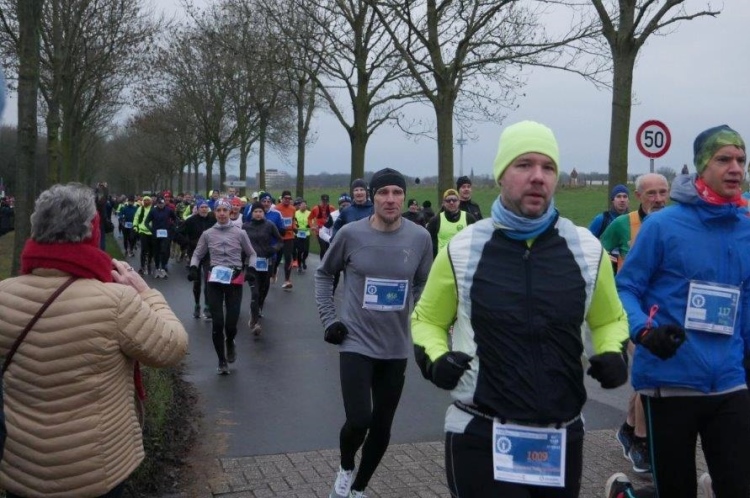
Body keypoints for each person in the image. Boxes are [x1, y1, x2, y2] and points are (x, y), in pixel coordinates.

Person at [411, 120, 629, 497]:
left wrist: (613, 351)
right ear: (501, 175)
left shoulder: (586, 249)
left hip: (559, 436)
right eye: (524, 165)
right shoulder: (463, 249)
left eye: (548, 167)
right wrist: (435, 358)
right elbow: (427, 319)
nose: (538, 176)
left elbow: (610, 319)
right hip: (481, 431)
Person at [0, 183, 188, 497]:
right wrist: (145, 293)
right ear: (91, 231)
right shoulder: (116, 301)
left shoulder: (5, 294)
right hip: (96, 468)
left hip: (23, 467)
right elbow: (172, 346)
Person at [616, 124, 750, 497]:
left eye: (741, 160)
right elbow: (625, 288)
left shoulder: (746, 228)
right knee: (676, 490)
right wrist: (644, 332)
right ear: (702, 166)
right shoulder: (662, 226)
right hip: (670, 380)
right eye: (724, 159)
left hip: (729, 380)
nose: (735, 168)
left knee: (739, 487)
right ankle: (626, 493)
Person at [315, 168, 433, 498]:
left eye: (397, 192)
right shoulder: (351, 234)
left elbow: (424, 283)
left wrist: (422, 317)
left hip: (395, 346)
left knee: (382, 427)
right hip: (355, 341)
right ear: (372, 196)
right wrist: (329, 320)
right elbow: (324, 275)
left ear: (404, 197)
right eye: (383, 192)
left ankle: (358, 488)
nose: (390, 199)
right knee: (359, 420)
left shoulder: (420, 238)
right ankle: (345, 467)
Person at [599, 173, 669, 475]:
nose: (658, 199)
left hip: (662, 312)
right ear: (638, 195)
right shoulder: (622, 224)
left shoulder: (673, 223)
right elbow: (599, 254)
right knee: (648, 370)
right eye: (651, 193)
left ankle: (629, 427)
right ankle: (641, 441)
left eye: (663, 192)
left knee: (648, 375)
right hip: (629, 310)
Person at [189, 198, 257, 375]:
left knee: (231, 325)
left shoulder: (240, 233)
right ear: (214, 212)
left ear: (230, 212)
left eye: (224, 210)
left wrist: (251, 269)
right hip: (215, 280)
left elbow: (252, 254)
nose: (221, 213)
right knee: (218, 323)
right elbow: (197, 254)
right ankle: (221, 360)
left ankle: (230, 341)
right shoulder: (207, 234)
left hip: (234, 279)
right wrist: (193, 268)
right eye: (218, 210)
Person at [242, 202, 283, 335]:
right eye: (255, 212)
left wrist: (273, 249)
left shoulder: (269, 225)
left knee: (263, 289)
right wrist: (241, 262)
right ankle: (254, 322)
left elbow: (280, 241)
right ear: (251, 213)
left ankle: (258, 307)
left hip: (266, 262)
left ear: (264, 213)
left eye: (260, 211)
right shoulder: (245, 226)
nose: (258, 214)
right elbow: (241, 244)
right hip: (251, 263)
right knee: (255, 292)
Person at [179, 199, 216, 319]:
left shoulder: (213, 220)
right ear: (197, 209)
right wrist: (188, 243)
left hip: (209, 253)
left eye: (206, 207)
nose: (204, 209)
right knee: (197, 281)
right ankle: (197, 305)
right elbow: (178, 233)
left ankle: (207, 306)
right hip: (194, 253)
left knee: (208, 280)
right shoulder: (191, 220)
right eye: (202, 207)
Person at [425, 188, 476, 257]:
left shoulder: (469, 218)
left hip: (463, 259)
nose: (451, 202)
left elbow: (476, 239)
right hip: (442, 260)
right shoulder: (436, 220)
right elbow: (427, 242)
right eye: (448, 200)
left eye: (454, 200)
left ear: (459, 202)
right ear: (443, 203)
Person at [145, 196, 178, 278]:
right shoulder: (153, 211)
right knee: (156, 251)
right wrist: (152, 230)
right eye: (159, 203)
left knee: (164, 250)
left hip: (166, 234)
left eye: (162, 203)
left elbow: (175, 219)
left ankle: (163, 268)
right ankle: (157, 268)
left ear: (164, 203)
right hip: (156, 235)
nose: (161, 205)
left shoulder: (168, 210)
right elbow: (146, 222)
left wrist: (172, 227)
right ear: (157, 203)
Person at [275, 190, 298, 290]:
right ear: (282, 198)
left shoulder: (293, 208)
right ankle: (273, 272)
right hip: (279, 237)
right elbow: (274, 222)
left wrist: (294, 227)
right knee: (277, 258)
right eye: (286, 198)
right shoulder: (276, 209)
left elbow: (292, 221)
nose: (287, 200)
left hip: (289, 236)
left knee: (288, 258)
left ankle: (287, 280)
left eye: (289, 198)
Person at [309, 193, 335, 260]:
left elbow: (335, 218)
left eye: (326, 201)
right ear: (320, 201)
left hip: (328, 231)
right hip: (319, 231)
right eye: (323, 201)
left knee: (328, 247)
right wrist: (312, 226)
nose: (325, 203)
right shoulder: (315, 208)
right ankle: (322, 263)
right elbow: (309, 218)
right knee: (323, 247)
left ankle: (326, 262)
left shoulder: (331, 208)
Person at [134, 196, 155, 275]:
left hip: (152, 232)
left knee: (151, 250)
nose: (146, 202)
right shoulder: (140, 209)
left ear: (150, 201)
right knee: (143, 250)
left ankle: (149, 263)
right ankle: (142, 266)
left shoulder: (153, 209)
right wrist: (135, 226)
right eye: (145, 200)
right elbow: (136, 218)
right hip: (143, 231)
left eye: (147, 200)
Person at [294, 198, 311, 271]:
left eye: (305, 205)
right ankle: (299, 265)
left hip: (306, 233)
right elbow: (294, 221)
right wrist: (296, 226)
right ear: (299, 206)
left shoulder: (309, 213)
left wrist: (309, 225)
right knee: (300, 250)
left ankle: (303, 260)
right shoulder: (295, 213)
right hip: (299, 233)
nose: (304, 206)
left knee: (306, 250)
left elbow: (312, 221)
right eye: (302, 205)